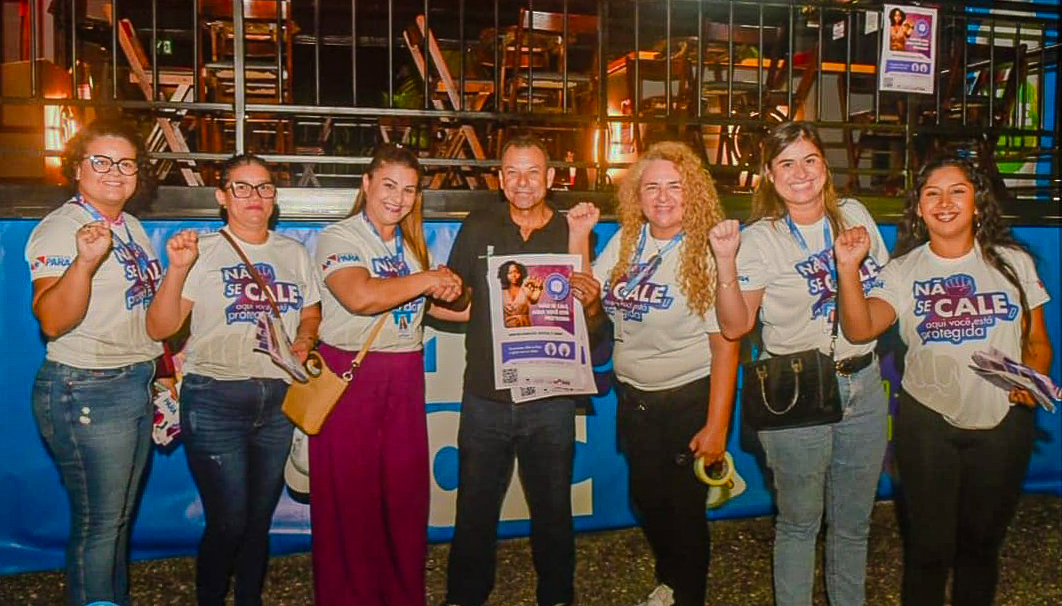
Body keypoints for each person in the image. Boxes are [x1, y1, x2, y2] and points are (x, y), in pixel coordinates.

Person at [833, 156, 1052, 606]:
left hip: (1003, 423)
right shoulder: (902, 271)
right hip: (928, 424)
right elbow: (859, 329)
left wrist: (1033, 380)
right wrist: (848, 269)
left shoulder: (1014, 263)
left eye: (958, 191)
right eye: (932, 193)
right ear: (919, 208)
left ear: (977, 203)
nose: (944, 202)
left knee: (981, 546)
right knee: (929, 551)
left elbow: (1037, 342)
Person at [708, 121, 890, 606]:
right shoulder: (760, 239)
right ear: (769, 175)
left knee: (853, 524)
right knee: (799, 522)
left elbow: (883, 289)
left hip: (863, 381)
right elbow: (735, 326)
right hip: (795, 390)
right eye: (786, 164)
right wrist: (725, 262)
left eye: (810, 160)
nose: (801, 172)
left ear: (825, 168)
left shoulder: (854, 214)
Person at [567, 141, 741, 606]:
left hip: (688, 399)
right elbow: (585, 299)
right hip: (635, 400)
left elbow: (727, 346)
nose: (663, 197)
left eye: (675, 187)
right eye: (652, 187)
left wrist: (717, 426)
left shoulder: (707, 250)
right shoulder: (629, 241)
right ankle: (672, 579)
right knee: (645, 500)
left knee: (684, 512)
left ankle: (687, 595)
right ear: (637, 195)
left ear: (694, 192)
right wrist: (579, 238)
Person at [145, 154, 322, 606]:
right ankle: (209, 596)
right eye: (241, 187)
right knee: (229, 520)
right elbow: (160, 327)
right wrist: (177, 269)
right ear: (222, 197)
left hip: (278, 399)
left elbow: (310, 310)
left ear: (274, 197)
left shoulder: (293, 253)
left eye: (264, 187)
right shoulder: (201, 251)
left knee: (259, 519)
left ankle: (248, 597)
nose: (254, 197)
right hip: (214, 399)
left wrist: (304, 339)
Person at [311, 143, 463, 606]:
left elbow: (430, 306)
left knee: (403, 495)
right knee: (351, 497)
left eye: (409, 190)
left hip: (404, 375)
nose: (398, 198)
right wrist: (430, 279)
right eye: (389, 185)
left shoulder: (410, 245)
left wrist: (464, 294)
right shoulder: (338, 237)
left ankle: (400, 595)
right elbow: (360, 297)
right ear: (367, 184)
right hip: (353, 376)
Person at [443, 134, 587, 606]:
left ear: (550, 177)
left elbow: (589, 322)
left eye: (533, 172)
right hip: (486, 397)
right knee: (474, 511)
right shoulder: (478, 224)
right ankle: (464, 597)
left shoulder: (570, 231)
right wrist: (443, 292)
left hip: (550, 400)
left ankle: (558, 596)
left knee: (553, 511)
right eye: (512, 173)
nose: (523, 183)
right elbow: (460, 298)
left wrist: (591, 299)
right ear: (500, 180)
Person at [25, 118, 162, 606]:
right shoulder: (62, 228)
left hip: (133, 381)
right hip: (87, 386)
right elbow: (51, 320)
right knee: (101, 524)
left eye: (126, 163)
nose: (114, 172)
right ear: (77, 168)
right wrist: (83, 262)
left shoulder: (131, 226)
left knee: (117, 519)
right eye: (101, 161)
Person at [497, 260, 543, 327]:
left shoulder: (525, 289)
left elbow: (534, 300)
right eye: (510, 273)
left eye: (517, 272)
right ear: (504, 274)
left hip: (524, 326)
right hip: (507, 328)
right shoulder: (501, 292)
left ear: (521, 273)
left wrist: (538, 289)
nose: (514, 275)